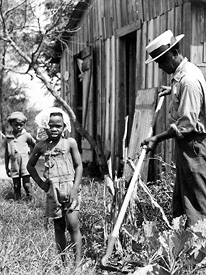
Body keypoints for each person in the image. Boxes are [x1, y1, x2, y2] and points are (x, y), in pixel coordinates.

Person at [141, 30, 206, 227]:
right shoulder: (182, 76)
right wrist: (172, 91)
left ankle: (200, 249)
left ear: (175, 52)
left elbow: (186, 124)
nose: (161, 67)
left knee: (197, 201)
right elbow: (188, 97)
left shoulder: (188, 80)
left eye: (162, 61)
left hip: (194, 144)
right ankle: (186, 245)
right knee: (185, 195)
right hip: (187, 145)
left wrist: (157, 138)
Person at [27, 107, 83, 267]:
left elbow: (79, 166)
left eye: (58, 126)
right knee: (58, 227)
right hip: (53, 192)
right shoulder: (42, 146)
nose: (54, 128)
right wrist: (41, 183)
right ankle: (64, 262)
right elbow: (30, 166)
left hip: (70, 188)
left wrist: (74, 189)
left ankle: (77, 263)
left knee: (73, 224)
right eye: (51, 125)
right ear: (46, 126)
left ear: (64, 127)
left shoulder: (70, 143)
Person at [4, 111, 36, 200]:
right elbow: (7, 154)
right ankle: (18, 202)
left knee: (26, 184)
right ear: (11, 124)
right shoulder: (8, 138)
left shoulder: (26, 135)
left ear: (23, 125)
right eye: (16, 124)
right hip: (14, 166)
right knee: (16, 186)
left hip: (25, 165)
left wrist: (33, 157)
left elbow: (36, 146)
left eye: (21, 125)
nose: (18, 127)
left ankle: (31, 201)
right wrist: (6, 167)